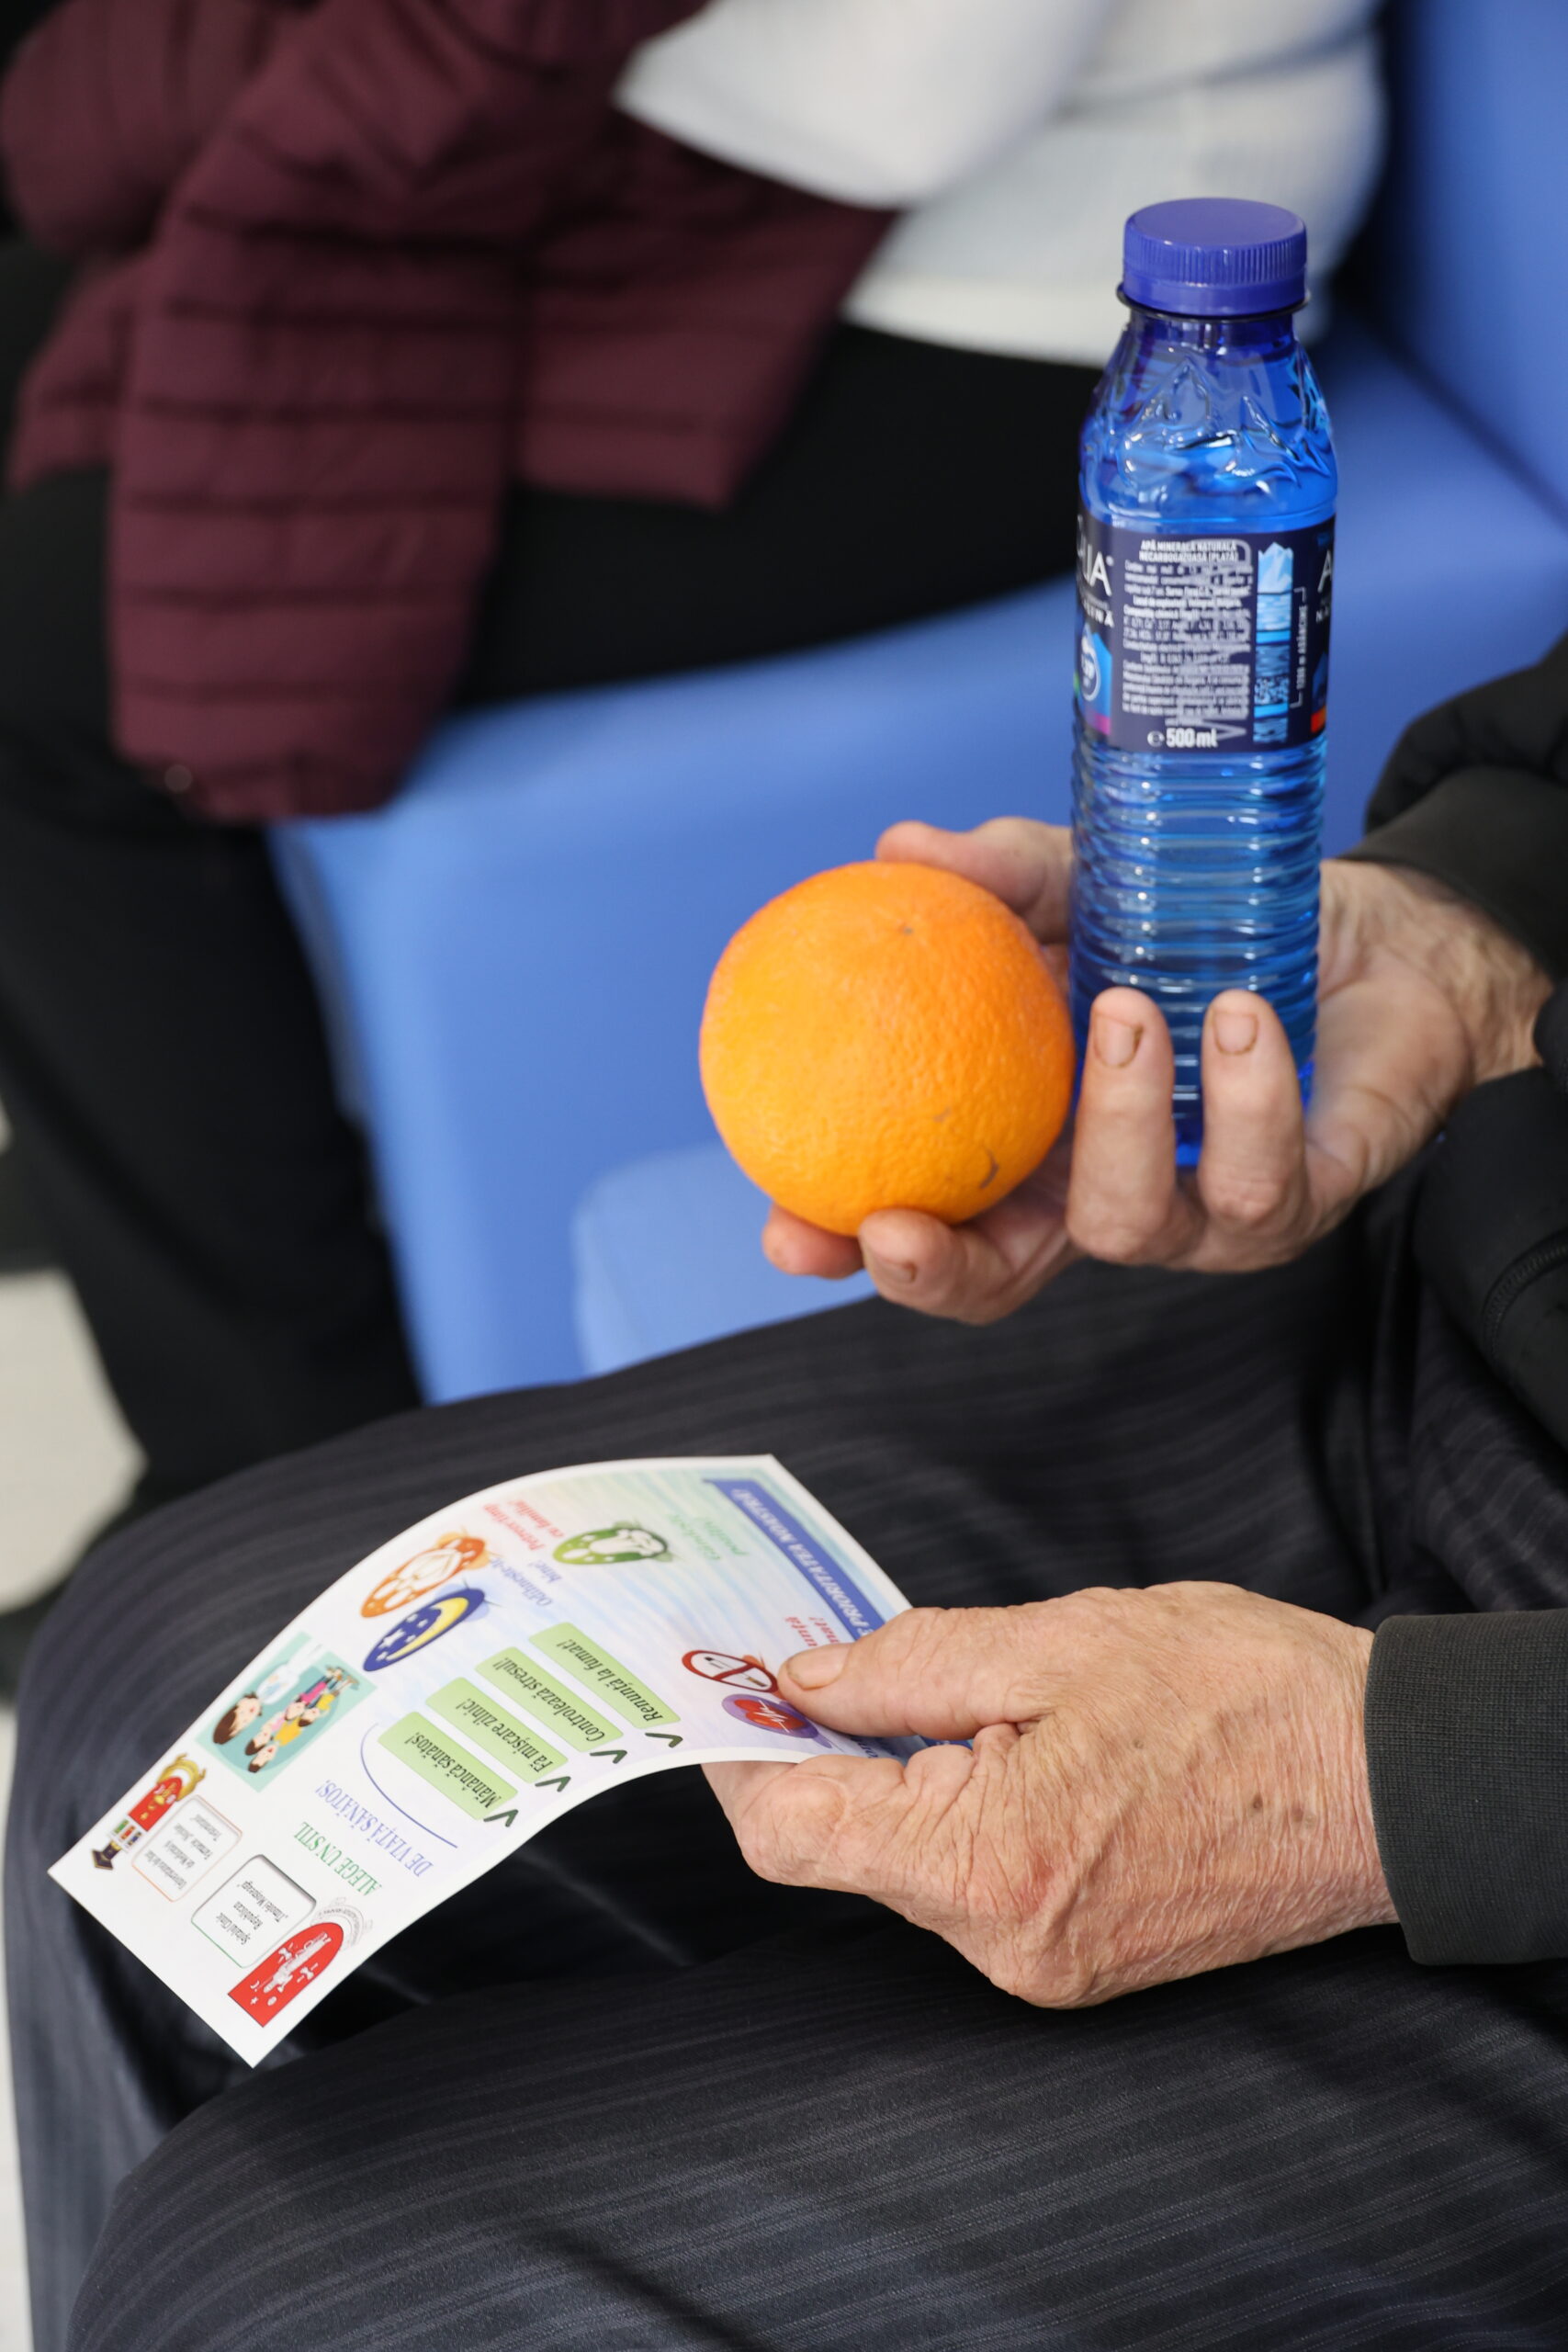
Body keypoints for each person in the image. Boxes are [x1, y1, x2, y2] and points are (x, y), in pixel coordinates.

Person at [10, 630, 1568, 2352]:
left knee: (292, 2305)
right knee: (152, 1707)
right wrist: (1484, 905)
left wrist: (1421, 1770)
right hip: (1464, 1289)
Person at [0, 0, 1382, 1682]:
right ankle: (157, 1219)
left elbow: (906, 96)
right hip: (779, 208)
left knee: (44, 662)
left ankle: (275, 1485)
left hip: (976, 273)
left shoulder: (1210, 449)